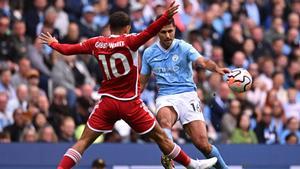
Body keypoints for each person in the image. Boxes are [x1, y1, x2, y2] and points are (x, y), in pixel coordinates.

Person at [39, 2, 217, 169]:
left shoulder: (96, 42)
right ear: (127, 28)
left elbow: (69, 50)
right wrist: (164, 17)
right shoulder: (130, 41)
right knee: (160, 137)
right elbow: (150, 32)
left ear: (110, 28)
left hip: (107, 102)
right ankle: (192, 165)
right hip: (129, 102)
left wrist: (54, 44)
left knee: (83, 141)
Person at [140, 15, 230, 169]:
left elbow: (202, 61)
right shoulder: (149, 53)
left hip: (188, 95)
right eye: (163, 32)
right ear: (156, 32)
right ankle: (168, 157)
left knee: (203, 144)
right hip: (166, 96)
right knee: (164, 120)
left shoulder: (184, 47)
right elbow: (142, 81)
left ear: (175, 29)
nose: (168, 36)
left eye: (170, 31)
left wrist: (216, 68)